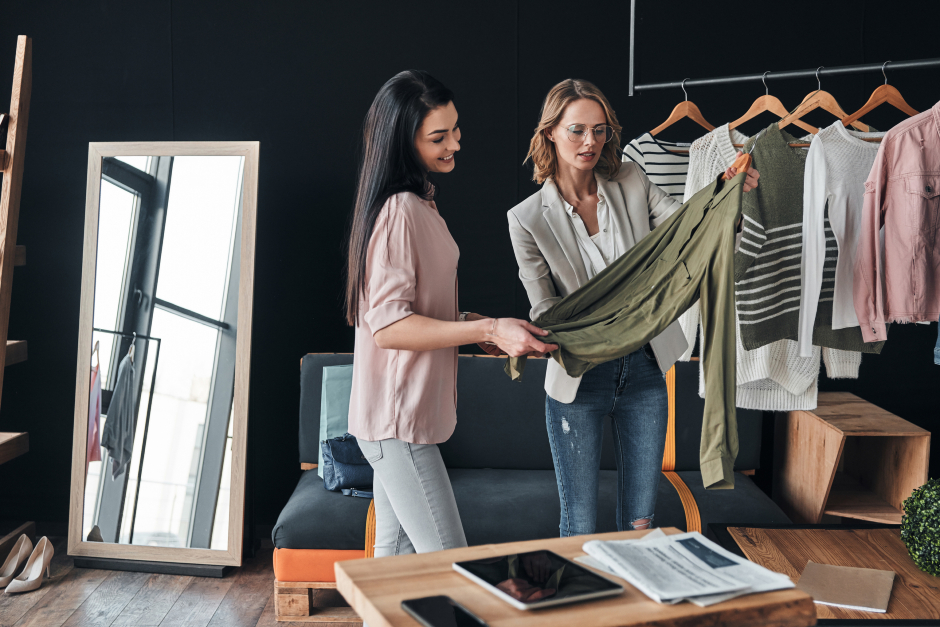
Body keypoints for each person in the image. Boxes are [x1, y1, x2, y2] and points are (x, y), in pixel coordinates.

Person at [507, 79, 759, 536]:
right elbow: (545, 310)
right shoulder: (525, 218)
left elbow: (688, 231)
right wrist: (605, 321)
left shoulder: (631, 180)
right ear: (550, 133)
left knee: (641, 522)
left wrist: (727, 197)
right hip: (578, 377)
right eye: (577, 130)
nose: (590, 142)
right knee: (579, 523)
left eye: (600, 130)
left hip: (645, 367)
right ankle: (583, 607)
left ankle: (640, 606)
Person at [345, 70, 557, 558]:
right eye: (438, 137)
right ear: (403, 142)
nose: (455, 143)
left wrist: (484, 329)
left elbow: (420, 308)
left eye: (455, 129)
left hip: (399, 421)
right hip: (397, 424)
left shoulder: (421, 204)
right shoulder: (400, 210)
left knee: (394, 567)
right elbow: (390, 326)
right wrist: (485, 328)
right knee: (450, 563)